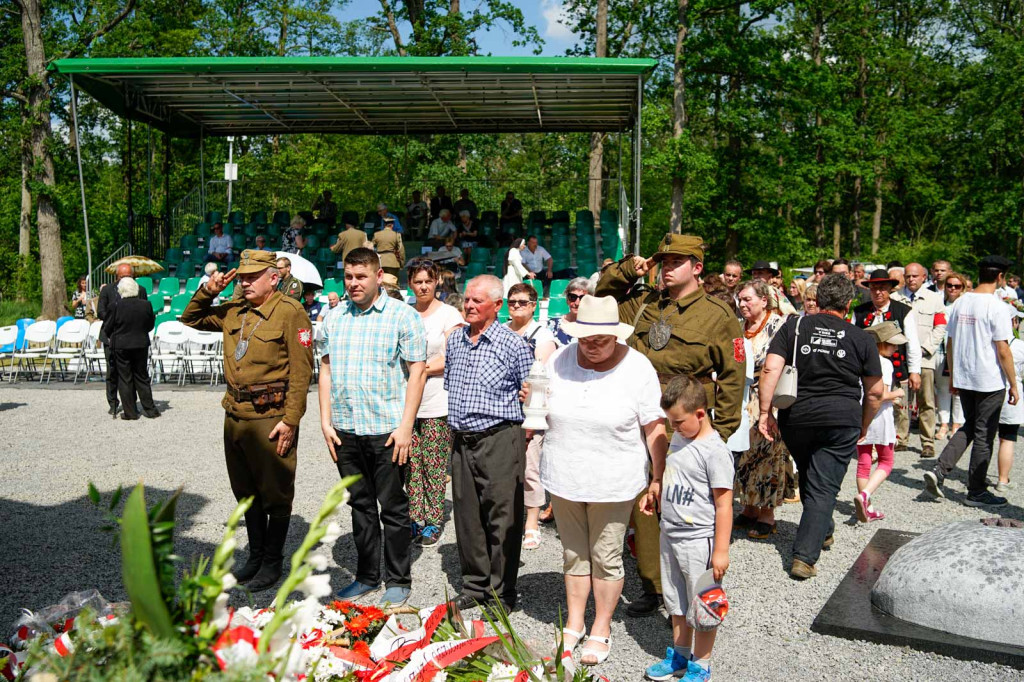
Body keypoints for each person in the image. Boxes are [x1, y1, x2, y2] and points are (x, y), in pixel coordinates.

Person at [596, 234, 743, 617]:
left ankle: (696, 588)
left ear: (697, 268)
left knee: (685, 509)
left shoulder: (718, 314)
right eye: (663, 261)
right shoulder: (644, 303)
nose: (667, 268)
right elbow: (601, 296)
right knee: (646, 504)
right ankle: (655, 585)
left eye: (677, 261)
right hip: (641, 421)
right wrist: (631, 268)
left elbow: (733, 377)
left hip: (686, 428)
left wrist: (720, 435)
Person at [539, 295, 667, 666]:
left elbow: (654, 426)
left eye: (600, 340)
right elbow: (540, 403)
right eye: (585, 339)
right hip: (563, 475)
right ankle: (575, 622)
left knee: (606, 556)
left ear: (616, 336)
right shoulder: (559, 359)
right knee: (573, 554)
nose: (591, 347)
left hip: (614, 480)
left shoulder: (638, 367)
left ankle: (601, 626)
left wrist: (658, 477)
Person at [181, 249, 314, 591]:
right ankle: (255, 557)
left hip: (270, 417)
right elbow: (191, 319)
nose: (245, 282)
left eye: (253, 276)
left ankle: (272, 562)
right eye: (242, 277)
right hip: (235, 415)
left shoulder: (290, 312)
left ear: (274, 278)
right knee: (245, 492)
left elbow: (302, 372)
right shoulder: (233, 310)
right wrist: (208, 291)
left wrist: (291, 420)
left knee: (276, 492)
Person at [319, 248, 427, 605]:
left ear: (379, 276)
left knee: (393, 508)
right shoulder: (334, 317)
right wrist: (325, 421)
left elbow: (417, 372)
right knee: (360, 506)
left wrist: (406, 427)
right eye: (348, 277)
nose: (353, 283)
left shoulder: (402, 316)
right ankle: (366, 576)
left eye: (361, 276)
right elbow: (325, 369)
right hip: (346, 430)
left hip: (387, 431)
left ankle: (398, 579)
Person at [758, 273, 883, 579]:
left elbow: (770, 368)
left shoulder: (794, 327)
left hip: (797, 417)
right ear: (848, 304)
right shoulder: (861, 338)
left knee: (812, 475)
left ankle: (823, 529)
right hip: (841, 419)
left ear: (818, 298)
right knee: (824, 485)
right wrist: (864, 424)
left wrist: (765, 412)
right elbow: (875, 392)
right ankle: (804, 556)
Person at [445, 275, 534, 611]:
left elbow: (532, 393)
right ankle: (475, 585)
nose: (469, 305)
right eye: (467, 299)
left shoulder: (513, 345)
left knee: (503, 516)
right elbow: (452, 386)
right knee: (467, 517)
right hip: (462, 440)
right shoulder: (455, 340)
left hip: (499, 438)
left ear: (497, 305)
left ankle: (501, 591)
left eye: (477, 301)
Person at [641, 375, 732, 682]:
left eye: (678, 422)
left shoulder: (715, 452)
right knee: (676, 601)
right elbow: (674, 475)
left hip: (698, 540)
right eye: (670, 421)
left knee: (705, 605)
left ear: (700, 414)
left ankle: (701, 665)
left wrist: (721, 550)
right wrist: (656, 488)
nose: (673, 428)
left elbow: (724, 505)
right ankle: (680, 655)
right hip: (670, 533)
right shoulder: (682, 437)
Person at [923, 255, 1019, 507]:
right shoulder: (997, 306)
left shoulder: (961, 301)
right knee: (984, 434)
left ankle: (939, 470)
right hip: (988, 379)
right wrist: (1013, 384)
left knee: (971, 426)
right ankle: (976, 491)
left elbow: (950, 342)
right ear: (1000, 277)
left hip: (965, 376)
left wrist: (954, 374)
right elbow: (1003, 349)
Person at [404, 259, 466, 547]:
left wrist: (420, 370)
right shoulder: (404, 313)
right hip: (407, 402)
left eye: (428, 281)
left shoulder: (449, 314)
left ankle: (433, 520)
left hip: (436, 401)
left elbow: (453, 354)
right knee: (411, 463)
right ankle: (415, 517)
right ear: (410, 284)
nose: (423, 286)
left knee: (434, 463)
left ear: (437, 281)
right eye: (418, 282)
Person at [733, 280, 795, 539]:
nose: (742, 304)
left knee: (768, 455)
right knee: (744, 454)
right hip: (741, 397)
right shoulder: (738, 326)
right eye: (740, 299)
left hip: (768, 398)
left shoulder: (780, 326)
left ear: (763, 300)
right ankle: (749, 507)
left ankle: (767, 514)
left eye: (747, 299)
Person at [505, 283, 557, 551]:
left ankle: (532, 523)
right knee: (505, 468)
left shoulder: (542, 336)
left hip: (530, 409)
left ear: (533, 305)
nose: (516, 306)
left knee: (530, 468)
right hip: (503, 409)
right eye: (512, 301)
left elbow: (540, 377)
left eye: (522, 302)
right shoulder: (501, 330)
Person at [852, 270, 922, 451]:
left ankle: (899, 439)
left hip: (897, 366)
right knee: (870, 401)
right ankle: (868, 437)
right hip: (867, 368)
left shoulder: (903, 311)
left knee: (899, 404)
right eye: (874, 288)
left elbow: (912, 343)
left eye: (882, 288)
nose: (878, 292)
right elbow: (852, 340)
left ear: (890, 289)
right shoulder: (860, 312)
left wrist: (915, 371)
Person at [893, 262, 947, 458]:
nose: (911, 279)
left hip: (925, 359)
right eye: (907, 276)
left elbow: (940, 327)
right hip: (900, 358)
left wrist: (926, 348)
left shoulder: (935, 299)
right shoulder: (894, 298)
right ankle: (900, 438)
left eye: (915, 276)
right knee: (901, 400)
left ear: (924, 277)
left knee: (926, 401)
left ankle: (927, 442)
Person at [855, 322, 908, 522]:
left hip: (861, 413)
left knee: (864, 461)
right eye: (892, 344)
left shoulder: (860, 359)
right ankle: (865, 495)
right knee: (886, 461)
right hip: (879, 415)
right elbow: (880, 394)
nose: (895, 348)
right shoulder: (884, 363)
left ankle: (866, 507)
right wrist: (897, 393)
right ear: (882, 344)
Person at [97, 263, 148, 417]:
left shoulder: (140, 290)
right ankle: (113, 403)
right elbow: (101, 312)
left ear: (134, 276)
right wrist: (117, 318)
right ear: (116, 276)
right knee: (112, 372)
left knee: (132, 372)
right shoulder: (107, 290)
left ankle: (130, 404)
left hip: (131, 337)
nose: (125, 279)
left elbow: (143, 312)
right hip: (111, 335)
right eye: (122, 276)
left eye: (128, 276)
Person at [107, 277, 158, 420]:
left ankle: (130, 413)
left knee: (125, 378)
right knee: (142, 376)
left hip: (121, 345)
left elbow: (108, 327)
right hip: (140, 343)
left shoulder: (115, 306)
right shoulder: (146, 305)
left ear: (121, 290)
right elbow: (150, 325)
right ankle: (150, 410)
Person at [994, 299, 1024, 492]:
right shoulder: (1019, 346)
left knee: (984, 438)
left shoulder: (989, 344)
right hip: (1011, 393)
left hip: (988, 391)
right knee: (1007, 437)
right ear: (1013, 322)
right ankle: (1003, 479)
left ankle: (976, 478)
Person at [935, 272, 967, 439]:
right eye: (950, 285)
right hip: (941, 351)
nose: (953, 288)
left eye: (957, 286)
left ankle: (957, 424)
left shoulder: (966, 305)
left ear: (963, 288)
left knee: (958, 391)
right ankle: (943, 423)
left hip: (960, 352)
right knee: (943, 389)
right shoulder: (939, 303)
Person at [548, 277, 594, 347]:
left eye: (583, 298)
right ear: (567, 300)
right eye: (572, 297)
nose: (577, 303)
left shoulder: (596, 326)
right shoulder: (553, 325)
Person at [372, 215, 406, 280]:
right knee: (393, 282)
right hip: (393, 262)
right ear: (392, 225)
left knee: (380, 281)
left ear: (384, 225)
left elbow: (371, 248)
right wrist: (402, 263)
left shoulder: (376, 234)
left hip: (380, 261)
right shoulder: (396, 234)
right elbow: (401, 250)